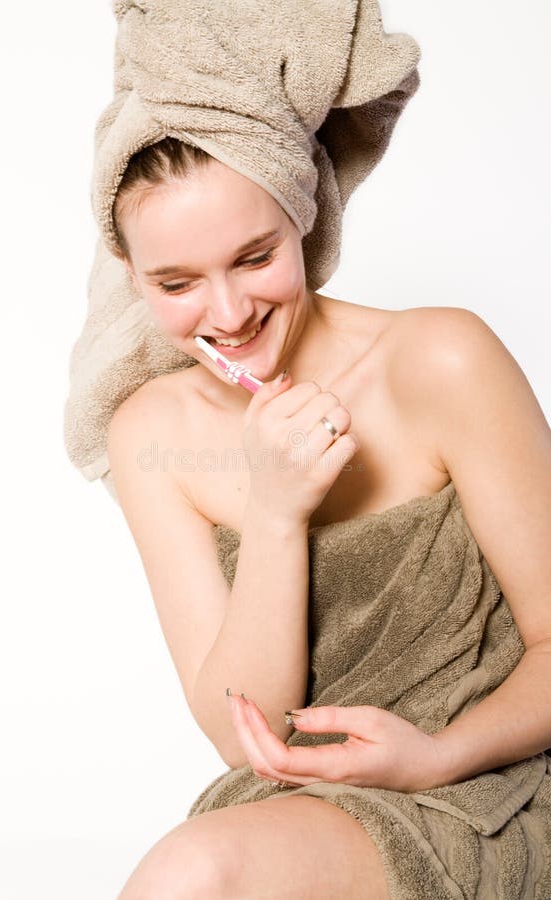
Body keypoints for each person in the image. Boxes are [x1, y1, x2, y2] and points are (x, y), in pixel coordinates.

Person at [104, 136, 551, 899]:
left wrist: (436, 755)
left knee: (191, 875)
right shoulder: (149, 432)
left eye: (254, 258)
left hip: (492, 786)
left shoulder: (439, 356)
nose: (230, 312)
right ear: (134, 280)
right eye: (177, 282)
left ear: (304, 219)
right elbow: (246, 740)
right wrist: (275, 511)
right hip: (302, 807)